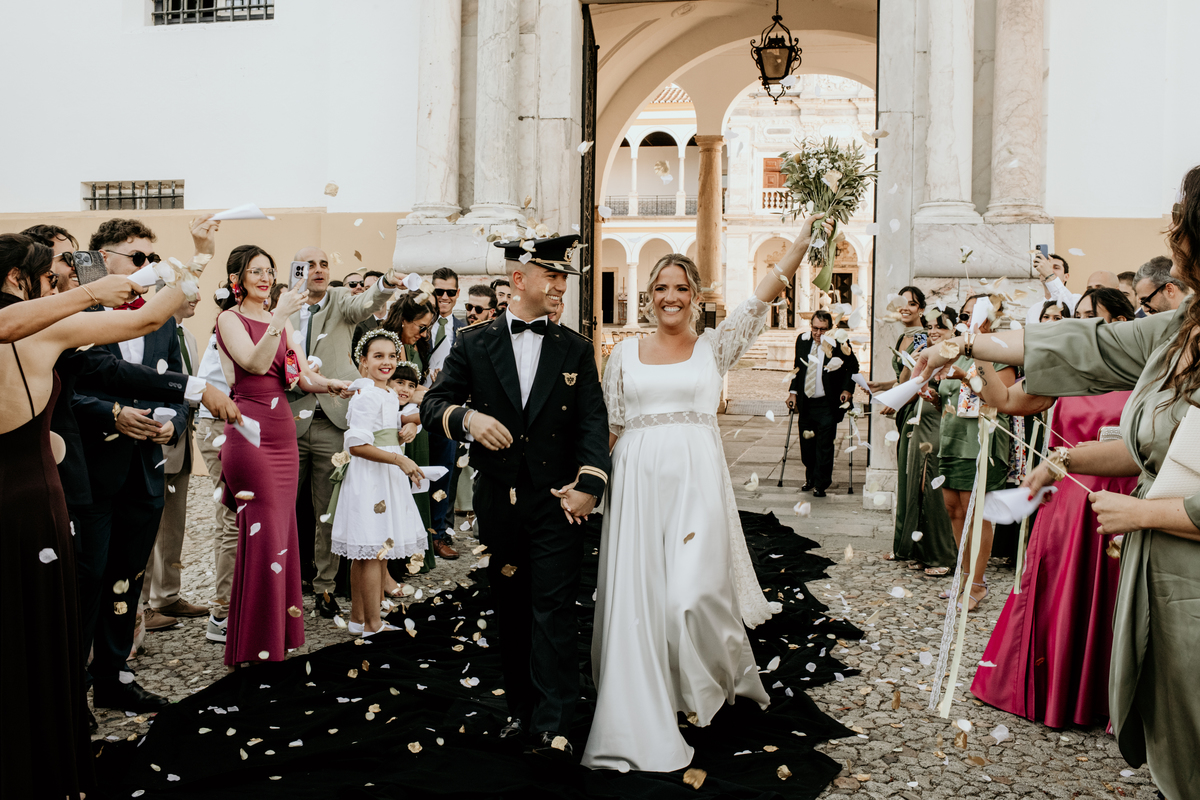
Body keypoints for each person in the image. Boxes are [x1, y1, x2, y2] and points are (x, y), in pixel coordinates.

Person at [918, 164, 1200, 798]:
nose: (1171, 227)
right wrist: (969, 344)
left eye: (1181, 216)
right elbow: (1092, 346)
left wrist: (1146, 515)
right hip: (1163, 581)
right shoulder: (1182, 329)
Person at [584, 221, 828, 773]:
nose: (671, 298)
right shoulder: (622, 355)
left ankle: (709, 685)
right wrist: (588, 484)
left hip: (697, 485)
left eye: (681, 288)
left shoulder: (714, 348)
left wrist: (800, 244)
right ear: (649, 297)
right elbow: (609, 428)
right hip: (640, 482)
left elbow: (761, 297)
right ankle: (659, 695)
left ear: (695, 297)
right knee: (644, 598)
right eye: (661, 289)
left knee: (690, 596)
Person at [0, 231, 226, 799]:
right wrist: (170, 278)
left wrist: (183, 268)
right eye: (51, 276)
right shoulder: (43, 327)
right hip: (30, 495)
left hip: (33, 487)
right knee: (38, 624)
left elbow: (143, 324)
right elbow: (138, 321)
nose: (62, 281)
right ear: (17, 280)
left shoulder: (40, 324)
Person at [422, 234, 610, 758]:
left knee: (554, 607)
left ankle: (554, 725)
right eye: (551, 276)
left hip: (557, 502)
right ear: (519, 280)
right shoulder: (473, 342)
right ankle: (522, 713)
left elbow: (593, 424)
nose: (560, 287)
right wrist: (469, 419)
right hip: (498, 502)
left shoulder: (574, 347)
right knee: (512, 605)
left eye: (563, 278)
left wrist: (591, 485)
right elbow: (435, 402)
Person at [968, 358, 1135, 729]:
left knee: (1109, 597)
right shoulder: (1070, 371)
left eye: (1098, 316)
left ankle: (1104, 699)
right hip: (1068, 500)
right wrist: (978, 355)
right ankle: (1051, 694)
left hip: (1121, 497)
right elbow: (1005, 401)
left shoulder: (1148, 375)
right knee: (1057, 593)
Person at [71, 217, 194, 711]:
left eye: (150, 259)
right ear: (103, 260)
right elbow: (67, 391)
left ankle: (115, 675)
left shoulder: (161, 320)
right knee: (88, 578)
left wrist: (174, 426)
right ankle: (72, 685)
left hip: (143, 468)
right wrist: (112, 414)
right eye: (136, 258)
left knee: (128, 575)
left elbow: (181, 386)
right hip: (91, 469)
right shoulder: (76, 314)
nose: (146, 268)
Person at [215, 244, 355, 667]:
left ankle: (274, 636)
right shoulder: (230, 318)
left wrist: (331, 384)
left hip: (282, 435)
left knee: (283, 534)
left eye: (268, 270)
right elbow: (255, 366)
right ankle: (254, 644)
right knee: (263, 537)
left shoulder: (279, 322)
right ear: (237, 279)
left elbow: (296, 375)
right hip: (250, 434)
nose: (263, 277)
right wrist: (279, 317)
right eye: (255, 271)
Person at [288, 246, 395, 618]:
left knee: (327, 511)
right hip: (288, 418)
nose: (318, 270)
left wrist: (385, 284)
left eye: (324, 264)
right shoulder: (281, 307)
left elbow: (366, 303)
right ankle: (283, 585)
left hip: (333, 421)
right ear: (295, 270)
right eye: (309, 265)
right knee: (284, 510)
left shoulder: (338, 301)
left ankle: (325, 588)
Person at [329, 332, 426, 636]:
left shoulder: (384, 393)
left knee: (371, 551)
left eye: (391, 356)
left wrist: (408, 425)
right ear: (364, 362)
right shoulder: (368, 395)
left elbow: (396, 420)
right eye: (378, 356)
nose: (386, 362)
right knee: (372, 552)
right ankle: (372, 624)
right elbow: (357, 444)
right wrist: (399, 460)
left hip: (383, 475)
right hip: (371, 477)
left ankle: (359, 618)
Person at [934, 294, 1017, 611]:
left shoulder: (1000, 351)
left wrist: (965, 375)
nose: (967, 320)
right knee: (953, 507)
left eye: (975, 315)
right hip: (952, 437)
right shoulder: (955, 350)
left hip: (981, 442)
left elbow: (1001, 397)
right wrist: (934, 395)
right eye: (965, 314)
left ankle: (978, 584)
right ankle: (964, 576)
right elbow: (948, 395)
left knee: (975, 510)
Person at [140, 291, 209, 632]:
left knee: (174, 523)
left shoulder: (189, 337)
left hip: (183, 436)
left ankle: (167, 594)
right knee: (148, 523)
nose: (197, 296)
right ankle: (141, 606)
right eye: (188, 290)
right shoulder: (146, 331)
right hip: (156, 433)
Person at [893, 311, 957, 573]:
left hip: (940, 429)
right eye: (930, 326)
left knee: (933, 490)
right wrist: (914, 360)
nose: (933, 330)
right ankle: (922, 551)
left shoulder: (958, 360)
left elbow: (956, 402)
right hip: (921, 427)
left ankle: (942, 556)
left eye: (940, 327)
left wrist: (937, 400)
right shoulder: (930, 358)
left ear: (953, 331)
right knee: (917, 491)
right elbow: (906, 390)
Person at [381, 293, 439, 582]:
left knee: (416, 490)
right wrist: (432, 398)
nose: (424, 333)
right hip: (396, 425)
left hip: (416, 425)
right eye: (420, 326)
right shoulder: (389, 348)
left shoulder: (414, 346)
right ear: (404, 321)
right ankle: (396, 562)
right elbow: (401, 391)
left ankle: (414, 555)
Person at [787, 308, 858, 496]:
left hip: (828, 403)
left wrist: (846, 390)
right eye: (815, 329)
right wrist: (793, 392)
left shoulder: (839, 343)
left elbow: (853, 367)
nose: (818, 333)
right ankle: (810, 477)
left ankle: (821, 483)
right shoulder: (802, 341)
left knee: (824, 446)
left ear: (831, 328)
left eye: (823, 329)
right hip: (807, 402)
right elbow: (797, 367)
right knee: (807, 446)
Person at [425, 267, 465, 557]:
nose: (444, 297)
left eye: (450, 291)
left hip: (447, 410)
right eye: (439, 291)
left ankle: (439, 535)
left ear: (457, 294)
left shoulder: (464, 330)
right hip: (412, 407)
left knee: (444, 473)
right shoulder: (418, 322)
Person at [1026, 252, 1080, 325]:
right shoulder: (1033, 310)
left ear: (1066, 277)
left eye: (1056, 267)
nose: (1050, 270)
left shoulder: (1076, 301)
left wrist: (1049, 275)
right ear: (1040, 275)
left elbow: (1068, 309)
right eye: (1047, 268)